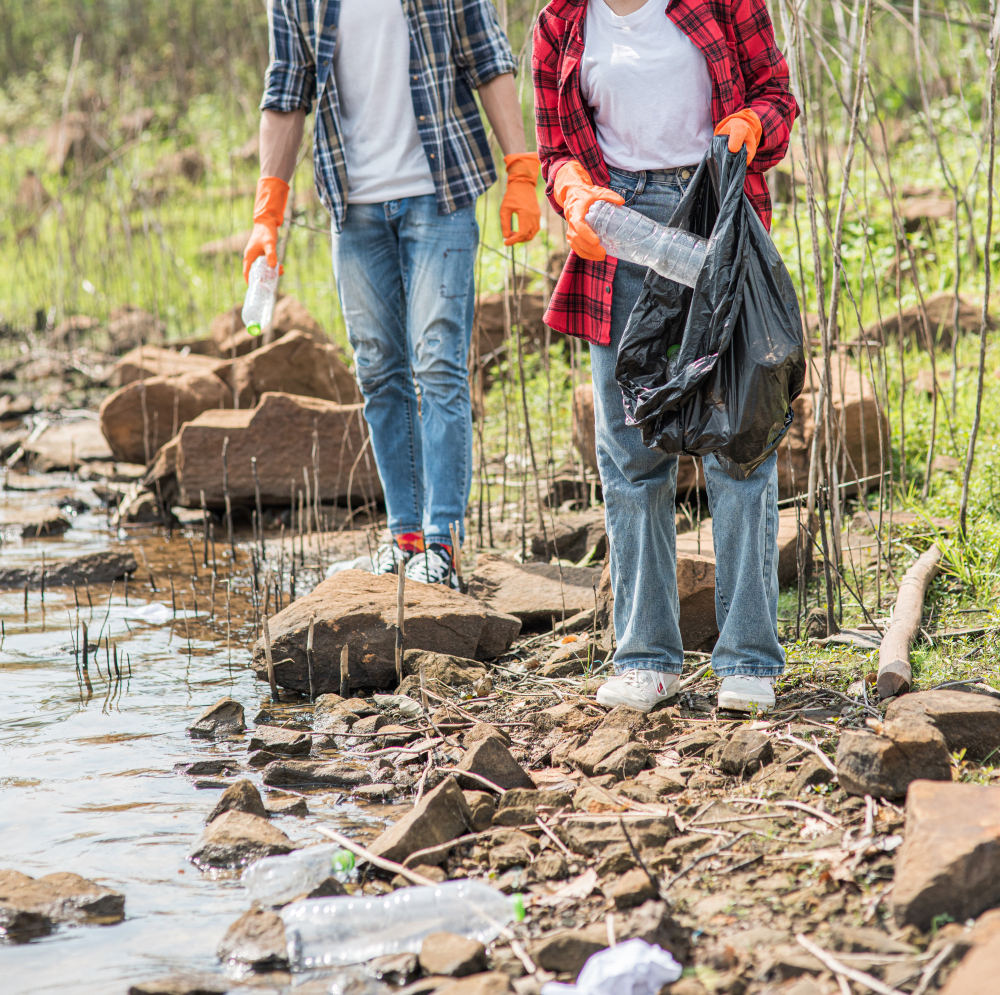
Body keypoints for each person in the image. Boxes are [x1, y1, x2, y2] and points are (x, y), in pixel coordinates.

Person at [533, 0, 798, 712]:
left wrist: (750, 125)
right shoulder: (562, 19)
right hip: (619, 230)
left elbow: (777, 95)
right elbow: (556, 146)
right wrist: (570, 191)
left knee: (738, 440)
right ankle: (646, 656)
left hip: (715, 214)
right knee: (630, 453)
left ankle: (747, 659)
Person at [245, 0, 540, 586]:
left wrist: (521, 167)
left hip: (442, 194)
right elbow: (286, 90)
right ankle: (404, 538)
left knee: (437, 363)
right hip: (353, 208)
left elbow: (488, 55)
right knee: (379, 370)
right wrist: (267, 212)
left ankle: (443, 544)